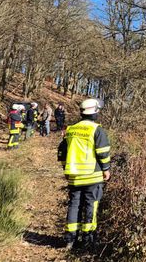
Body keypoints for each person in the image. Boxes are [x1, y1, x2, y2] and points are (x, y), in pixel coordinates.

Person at [57, 98, 110, 250]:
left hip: (74, 175)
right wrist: (106, 169)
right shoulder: (96, 130)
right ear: (94, 111)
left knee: (74, 205)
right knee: (90, 206)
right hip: (92, 176)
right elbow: (103, 152)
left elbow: (62, 152)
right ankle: (88, 240)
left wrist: (65, 169)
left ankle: (70, 239)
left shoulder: (71, 129)